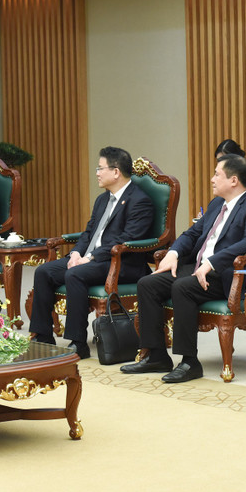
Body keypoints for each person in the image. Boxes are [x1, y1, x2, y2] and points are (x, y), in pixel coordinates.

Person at [120, 153, 246, 382]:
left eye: (217, 174)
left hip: (225, 274)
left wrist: (212, 262)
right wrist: (174, 253)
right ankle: (156, 355)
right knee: (148, 283)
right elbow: (193, 233)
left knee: (182, 286)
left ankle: (189, 362)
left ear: (234, 180)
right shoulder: (217, 203)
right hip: (196, 268)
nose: (212, 179)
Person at [29, 147, 154, 359]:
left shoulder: (139, 201)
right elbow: (89, 233)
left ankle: (78, 343)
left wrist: (90, 258)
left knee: (75, 274)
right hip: (91, 259)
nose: (97, 172)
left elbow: (126, 240)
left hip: (122, 263)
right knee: (44, 271)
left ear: (116, 172)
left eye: (100, 168)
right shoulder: (102, 199)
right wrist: (77, 253)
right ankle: (42, 336)